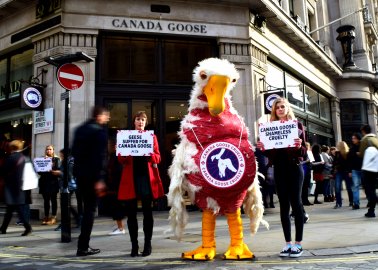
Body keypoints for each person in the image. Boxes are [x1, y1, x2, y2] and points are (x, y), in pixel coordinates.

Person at [256, 97, 307, 258]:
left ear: (287, 108)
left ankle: (298, 244)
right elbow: (270, 153)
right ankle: (287, 244)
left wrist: (299, 146)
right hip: (279, 170)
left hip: (295, 168)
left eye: (282, 106)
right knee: (284, 206)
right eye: (277, 107)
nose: (280, 109)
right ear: (274, 111)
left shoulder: (297, 125)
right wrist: (263, 149)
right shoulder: (270, 127)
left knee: (296, 204)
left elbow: (304, 150)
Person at [117, 111, 165, 257]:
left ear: (145, 122)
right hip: (131, 180)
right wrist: (123, 153)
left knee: (147, 213)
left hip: (146, 179)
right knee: (131, 215)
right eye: (138, 119)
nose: (140, 122)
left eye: (143, 120)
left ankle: (147, 245)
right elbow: (121, 159)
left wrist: (149, 152)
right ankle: (134, 246)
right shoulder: (126, 137)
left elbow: (158, 158)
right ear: (134, 122)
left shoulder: (152, 137)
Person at [72, 106, 110, 256]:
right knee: (90, 211)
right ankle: (83, 247)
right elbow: (99, 157)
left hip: (80, 177)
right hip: (93, 178)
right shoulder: (99, 132)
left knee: (85, 209)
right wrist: (99, 179)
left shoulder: (80, 129)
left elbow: (74, 153)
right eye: (106, 116)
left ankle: (83, 245)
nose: (107, 119)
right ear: (99, 116)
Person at [0, 140, 32, 236]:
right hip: (20, 186)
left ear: (12, 147)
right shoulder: (24, 157)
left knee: (17, 209)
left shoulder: (11, 158)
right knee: (10, 209)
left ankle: (27, 227)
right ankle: (3, 228)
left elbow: (3, 171)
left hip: (11, 187)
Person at [54, 149, 83, 231]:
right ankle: (77, 218)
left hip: (70, 185)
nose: (60, 156)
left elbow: (69, 175)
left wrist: (59, 173)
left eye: (62, 155)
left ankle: (65, 223)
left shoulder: (70, 161)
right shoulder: (67, 160)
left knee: (65, 204)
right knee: (67, 204)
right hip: (68, 185)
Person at [38, 145, 61, 225]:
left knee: (53, 200)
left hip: (53, 182)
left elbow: (58, 170)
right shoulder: (42, 159)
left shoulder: (56, 159)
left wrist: (51, 167)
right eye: (47, 149)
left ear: (53, 150)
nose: (48, 151)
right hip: (44, 182)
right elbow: (39, 172)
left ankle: (54, 217)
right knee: (46, 200)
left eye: (50, 149)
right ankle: (46, 216)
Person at [359, 125, 378, 218]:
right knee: (372, 189)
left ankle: (371, 211)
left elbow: (362, 154)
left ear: (363, 131)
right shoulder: (376, 139)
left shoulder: (365, 140)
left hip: (368, 169)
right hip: (376, 168)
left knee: (370, 190)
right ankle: (371, 210)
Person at [106, 141, 125, 236]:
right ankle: (119, 227)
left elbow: (117, 171)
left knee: (117, 207)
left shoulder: (116, 156)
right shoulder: (113, 156)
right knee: (116, 207)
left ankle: (121, 228)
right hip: (115, 186)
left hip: (116, 186)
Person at [333, 141, 353, 209]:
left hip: (346, 172)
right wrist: (334, 169)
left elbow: (350, 163)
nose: (337, 146)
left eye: (338, 145)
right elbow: (334, 162)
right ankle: (338, 203)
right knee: (337, 187)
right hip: (339, 172)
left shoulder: (348, 153)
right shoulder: (337, 153)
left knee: (349, 188)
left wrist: (350, 171)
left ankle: (351, 201)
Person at [347, 133, 363, 210]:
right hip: (354, 170)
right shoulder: (352, 148)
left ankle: (371, 201)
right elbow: (349, 161)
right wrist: (349, 171)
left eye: (354, 138)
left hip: (363, 169)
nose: (353, 140)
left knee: (366, 186)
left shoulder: (363, 147)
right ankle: (356, 203)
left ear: (358, 139)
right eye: (352, 138)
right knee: (355, 187)